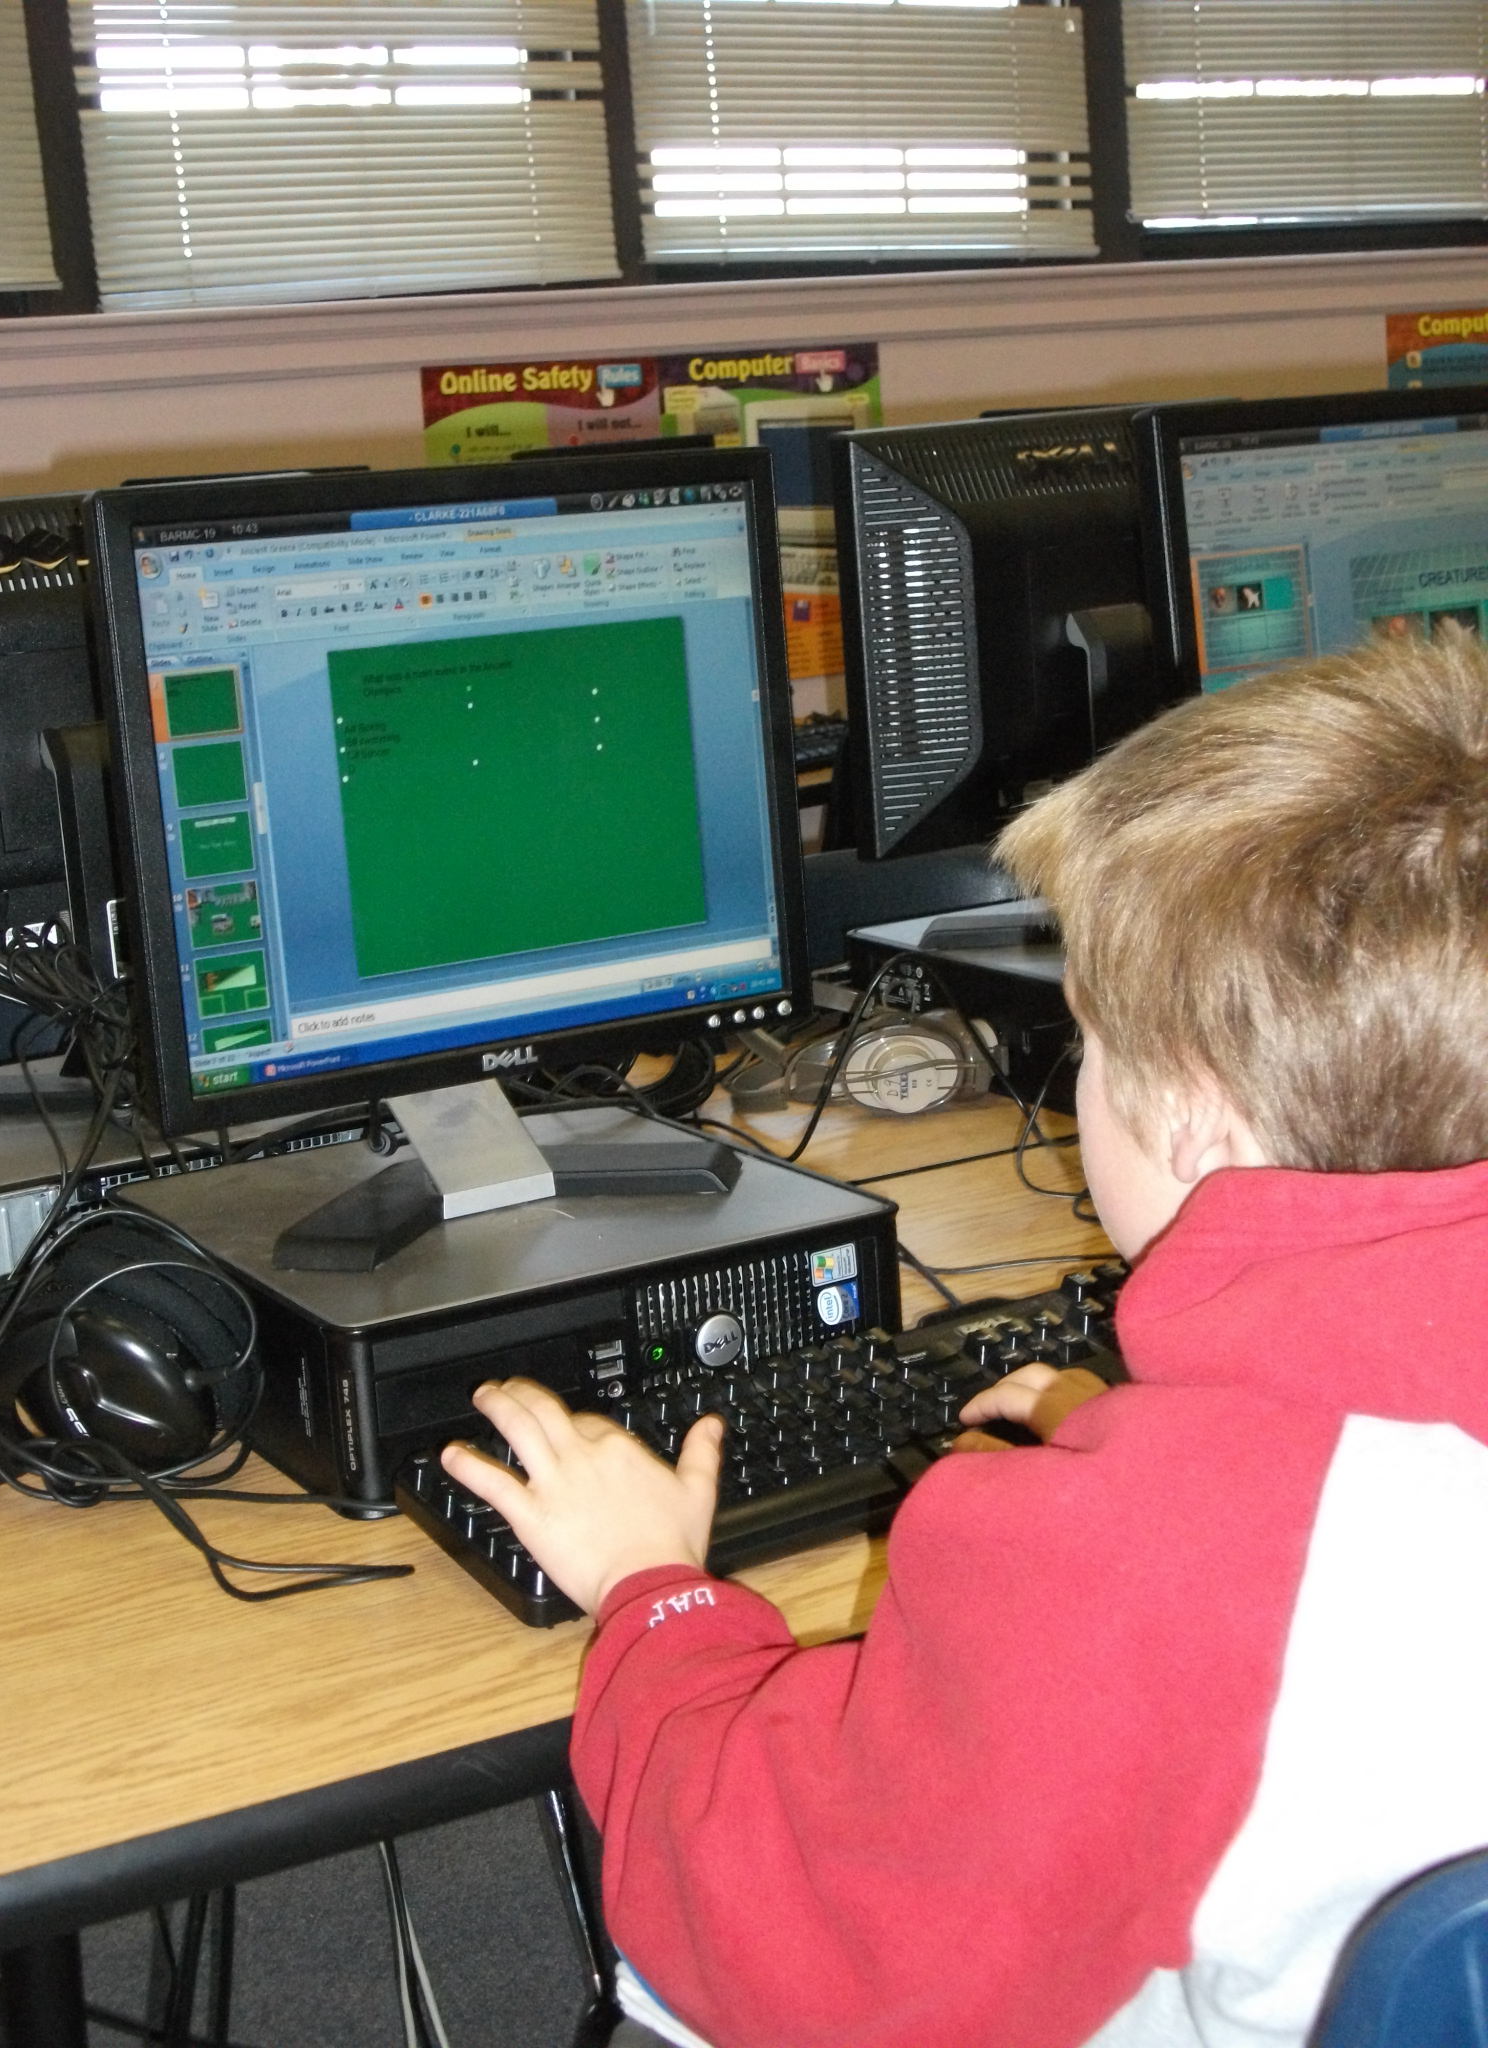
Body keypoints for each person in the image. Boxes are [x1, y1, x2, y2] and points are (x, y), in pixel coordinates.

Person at [443, 626, 1488, 2048]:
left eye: (1086, 1044)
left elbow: (784, 1938)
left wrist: (650, 1587)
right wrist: (1140, 1436)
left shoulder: (1152, 1561)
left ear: (1194, 1115)